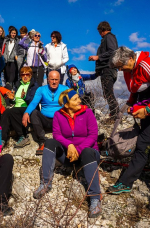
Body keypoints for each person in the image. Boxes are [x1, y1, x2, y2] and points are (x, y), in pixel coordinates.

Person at [107, 46, 150, 210]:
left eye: (120, 66)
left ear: (130, 59)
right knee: (142, 146)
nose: (119, 69)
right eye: (117, 67)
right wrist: (131, 103)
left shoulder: (147, 65)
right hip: (148, 108)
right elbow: (135, 88)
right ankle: (125, 182)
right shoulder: (128, 69)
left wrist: (147, 109)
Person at [33, 89, 101, 218]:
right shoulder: (58, 115)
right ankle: (45, 184)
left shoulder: (87, 112)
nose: (80, 101)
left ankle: (95, 198)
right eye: (75, 99)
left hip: (87, 155)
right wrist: (69, 145)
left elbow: (93, 136)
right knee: (50, 142)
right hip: (68, 155)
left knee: (87, 152)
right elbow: (57, 135)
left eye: (78, 98)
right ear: (66, 103)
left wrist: (78, 149)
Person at [22, 71, 68, 155]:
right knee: (34, 112)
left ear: (59, 80)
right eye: (52, 79)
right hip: (45, 120)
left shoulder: (65, 89)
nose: (54, 82)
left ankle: (64, 141)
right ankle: (42, 142)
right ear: (48, 80)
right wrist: (26, 113)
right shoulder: (41, 89)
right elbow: (33, 103)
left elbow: (72, 103)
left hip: (59, 120)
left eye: (56, 79)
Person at [0, 67, 39, 147]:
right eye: (22, 74)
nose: (25, 76)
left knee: (11, 111)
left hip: (28, 109)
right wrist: (12, 98)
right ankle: (2, 140)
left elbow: (34, 101)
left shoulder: (34, 86)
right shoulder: (18, 84)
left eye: (27, 74)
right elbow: (14, 101)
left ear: (31, 75)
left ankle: (23, 136)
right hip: (17, 108)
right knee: (6, 112)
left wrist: (25, 97)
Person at [88, 21, 119, 119]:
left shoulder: (109, 37)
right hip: (106, 70)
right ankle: (114, 115)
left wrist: (98, 57)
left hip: (108, 70)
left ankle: (115, 116)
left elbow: (112, 51)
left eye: (99, 31)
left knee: (109, 94)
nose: (99, 33)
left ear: (102, 29)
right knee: (107, 93)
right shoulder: (107, 38)